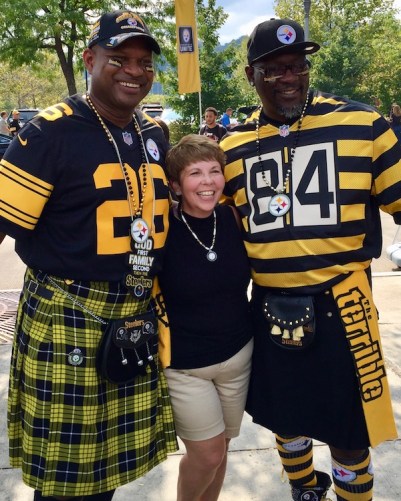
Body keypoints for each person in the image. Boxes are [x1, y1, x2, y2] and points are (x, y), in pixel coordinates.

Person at [220, 17, 400, 501]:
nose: (288, 77)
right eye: (274, 69)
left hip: (345, 306)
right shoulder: (230, 148)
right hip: (270, 304)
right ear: (250, 75)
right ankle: (303, 489)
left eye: (297, 66)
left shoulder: (364, 125)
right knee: (286, 417)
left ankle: (352, 495)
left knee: (350, 429)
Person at [0, 9, 178, 501]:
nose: (134, 71)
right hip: (67, 314)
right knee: (67, 482)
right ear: (90, 59)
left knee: (106, 475)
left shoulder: (153, 135)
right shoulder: (47, 133)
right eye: (119, 58)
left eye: (144, 62)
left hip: (132, 313)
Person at [157, 134, 253, 501]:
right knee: (207, 452)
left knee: (222, 450)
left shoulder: (232, 217)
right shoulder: (161, 227)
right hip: (185, 365)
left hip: (238, 356)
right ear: (176, 186)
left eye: (215, 171)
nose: (209, 181)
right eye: (195, 173)